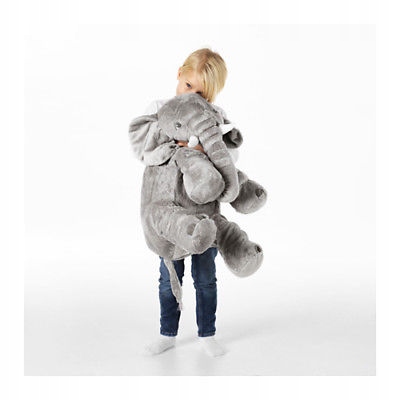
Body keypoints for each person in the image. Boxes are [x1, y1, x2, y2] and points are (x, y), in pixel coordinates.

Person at [141, 48, 231, 357]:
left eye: (201, 93)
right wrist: (172, 144)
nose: (191, 95)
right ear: (179, 74)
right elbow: (144, 151)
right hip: (168, 210)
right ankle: (167, 333)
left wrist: (205, 149)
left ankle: (208, 333)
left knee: (205, 278)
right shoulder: (159, 110)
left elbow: (230, 158)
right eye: (188, 85)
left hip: (203, 212)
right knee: (169, 276)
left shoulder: (214, 117)